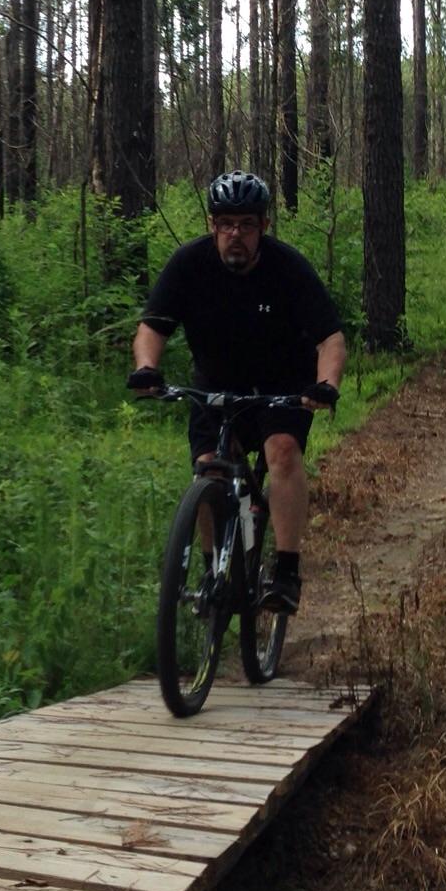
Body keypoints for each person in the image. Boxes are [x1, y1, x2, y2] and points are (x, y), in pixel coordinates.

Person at [127, 170, 347, 616]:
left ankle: (285, 571)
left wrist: (326, 385)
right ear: (212, 225)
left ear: (263, 226)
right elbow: (153, 326)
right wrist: (146, 368)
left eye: (247, 224)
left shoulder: (288, 269)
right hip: (214, 384)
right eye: (226, 224)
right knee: (209, 471)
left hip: (282, 386)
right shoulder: (189, 265)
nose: (236, 235)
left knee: (282, 452)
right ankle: (214, 574)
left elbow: (330, 339)